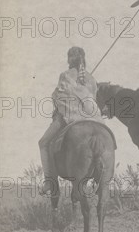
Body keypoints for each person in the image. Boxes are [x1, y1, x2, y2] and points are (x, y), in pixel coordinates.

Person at [39, 47, 101, 194]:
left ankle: (49, 181)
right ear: (83, 59)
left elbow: (57, 97)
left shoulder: (65, 75)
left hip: (68, 117)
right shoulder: (91, 78)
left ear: (69, 59)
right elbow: (94, 101)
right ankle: (99, 173)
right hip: (91, 119)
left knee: (43, 143)